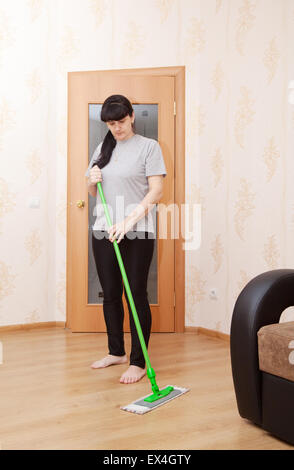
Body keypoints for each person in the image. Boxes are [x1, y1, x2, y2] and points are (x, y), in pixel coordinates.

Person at [85, 94, 167, 384]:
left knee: (135, 295)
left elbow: (156, 192)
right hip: (103, 230)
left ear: (132, 116)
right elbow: (94, 194)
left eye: (120, 121)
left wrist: (129, 220)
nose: (116, 128)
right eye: (110, 123)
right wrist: (91, 181)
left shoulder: (149, 147)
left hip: (137, 230)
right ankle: (116, 352)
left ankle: (138, 361)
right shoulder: (102, 148)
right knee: (110, 293)